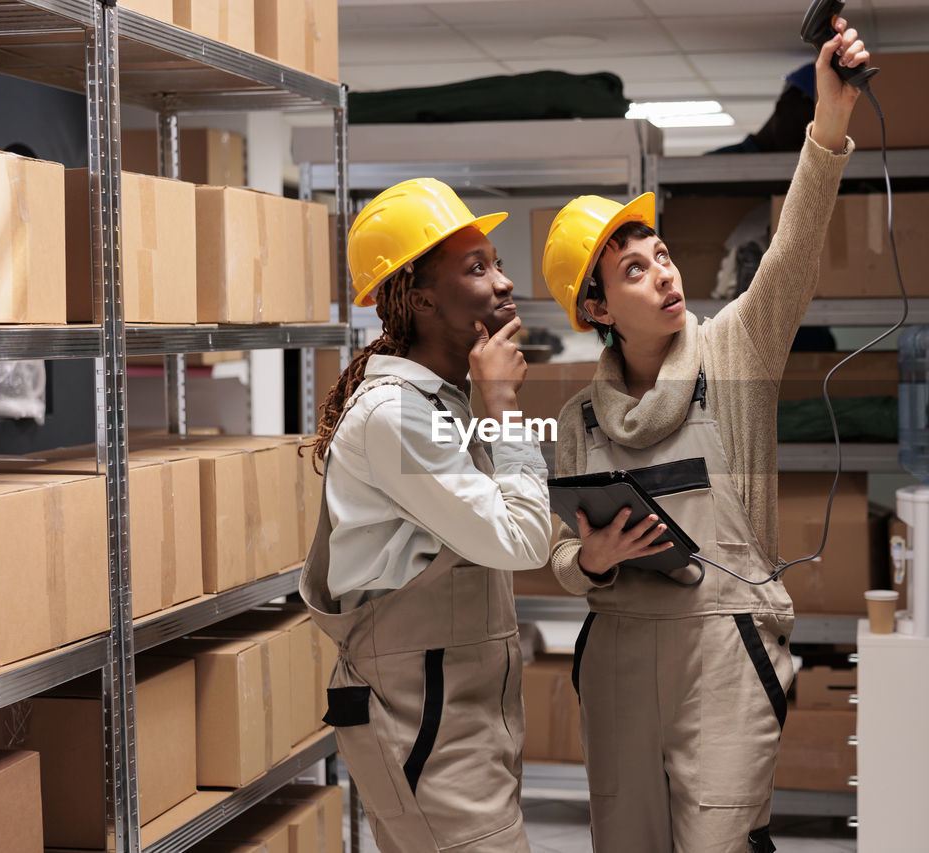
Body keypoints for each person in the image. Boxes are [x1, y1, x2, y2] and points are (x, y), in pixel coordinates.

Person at [540, 18, 869, 853]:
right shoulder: (581, 419)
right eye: (636, 268)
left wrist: (826, 121)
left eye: (661, 253)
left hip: (724, 656)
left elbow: (793, 246)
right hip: (617, 662)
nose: (666, 271)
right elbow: (554, 548)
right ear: (598, 311)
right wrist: (591, 561)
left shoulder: (736, 350)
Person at [299, 177, 549, 853]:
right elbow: (522, 537)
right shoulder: (398, 417)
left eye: (496, 263)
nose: (503, 283)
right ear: (420, 296)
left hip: (465, 718)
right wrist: (505, 410)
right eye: (477, 268)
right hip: (426, 726)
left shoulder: (447, 404)